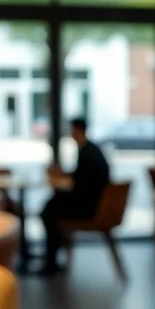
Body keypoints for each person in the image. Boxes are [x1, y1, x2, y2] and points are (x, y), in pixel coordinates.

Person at [38, 118, 112, 275]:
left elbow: (81, 183)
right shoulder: (90, 149)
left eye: (73, 130)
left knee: (48, 211)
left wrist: (62, 178)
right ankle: (52, 258)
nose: (71, 134)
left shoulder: (87, 152)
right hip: (94, 202)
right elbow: (81, 177)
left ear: (78, 131)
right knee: (52, 205)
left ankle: (51, 261)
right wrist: (64, 174)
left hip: (90, 207)